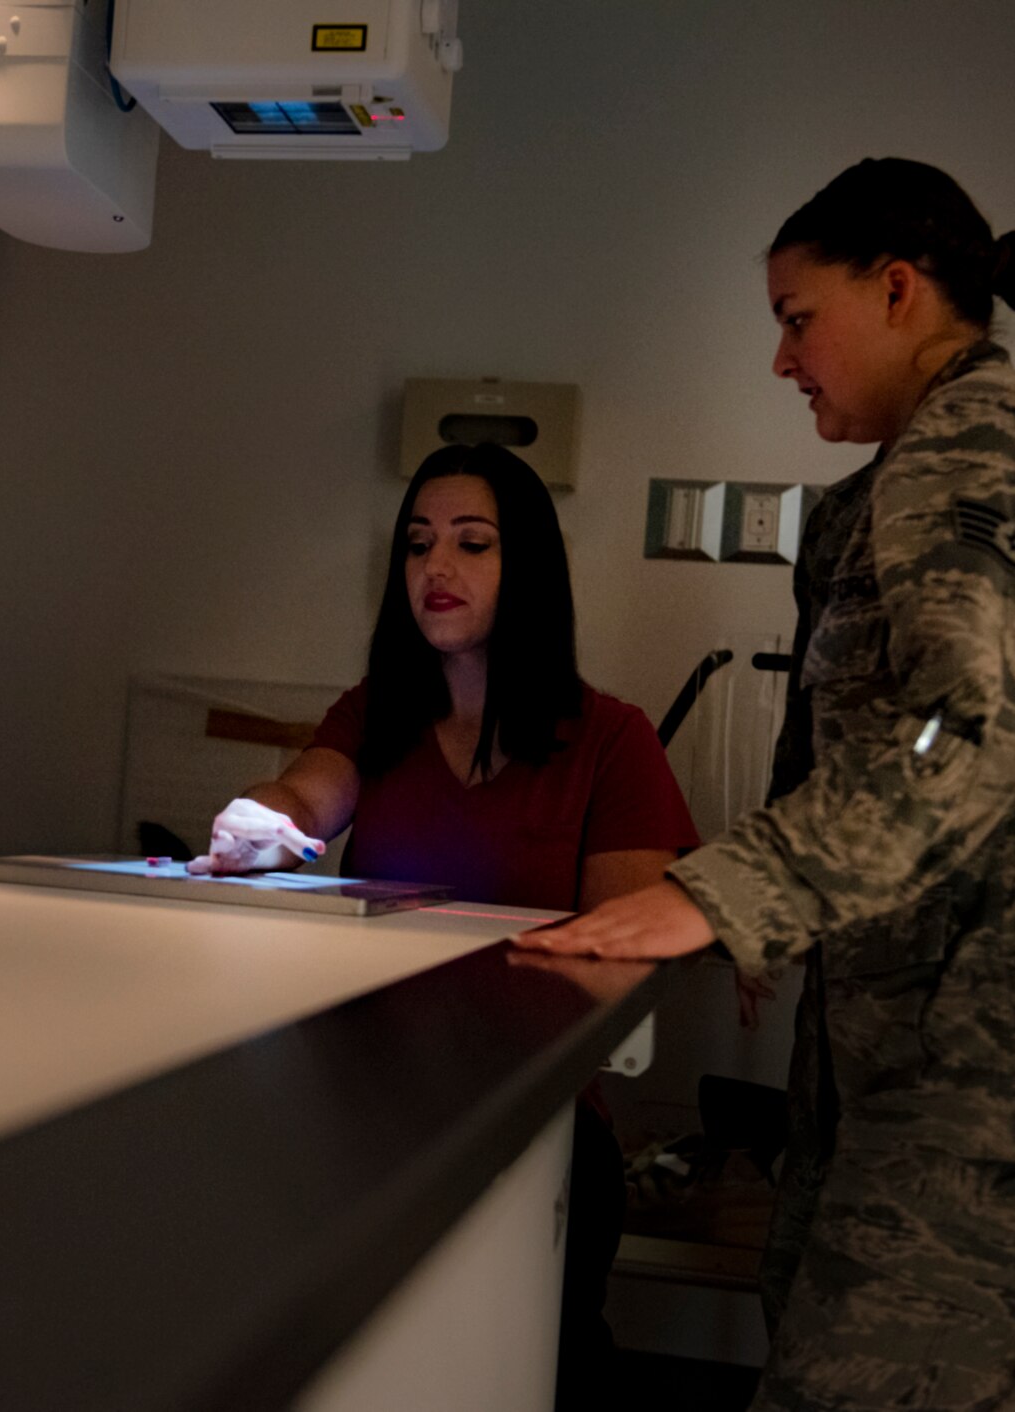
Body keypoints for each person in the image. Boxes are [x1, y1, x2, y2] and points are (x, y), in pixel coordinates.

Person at [515, 158, 1015, 1411]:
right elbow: (871, 728)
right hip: (920, 1064)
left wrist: (725, 895)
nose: (782, 360)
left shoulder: (981, 435)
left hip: (1010, 1070)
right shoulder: (875, 498)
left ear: (896, 291)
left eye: (796, 319)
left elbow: (955, 724)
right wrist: (766, 912)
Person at [190, 440, 700, 1409]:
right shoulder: (375, 712)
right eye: (418, 543)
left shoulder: (609, 740)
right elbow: (306, 789)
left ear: (529, 569)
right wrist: (261, 819)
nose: (437, 566)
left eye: (472, 542)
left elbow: (629, 937)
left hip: (533, 1124)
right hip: (366, 1121)